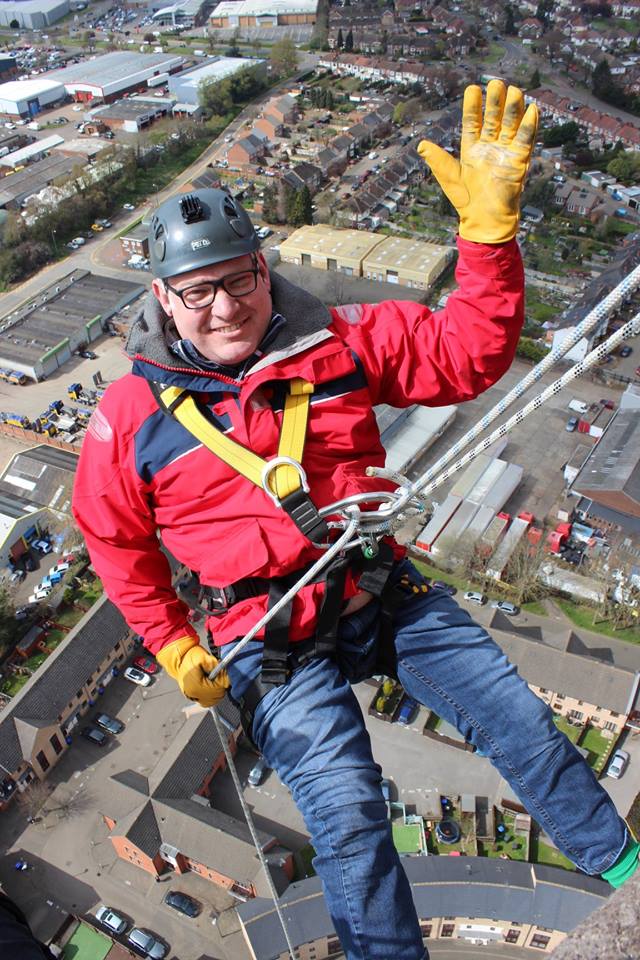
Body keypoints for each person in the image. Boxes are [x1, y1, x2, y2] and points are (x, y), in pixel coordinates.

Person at [73, 81, 638, 960]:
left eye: (238, 279)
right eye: (198, 293)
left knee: (521, 724)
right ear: (162, 298)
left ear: (264, 268)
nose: (225, 307)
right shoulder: (129, 420)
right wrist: (173, 643)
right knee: (350, 823)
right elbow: (118, 544)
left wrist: (488, 241)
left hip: (378, 585)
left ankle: (623, 872)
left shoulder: (339, 343)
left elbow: (466, 352)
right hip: (265, 637)